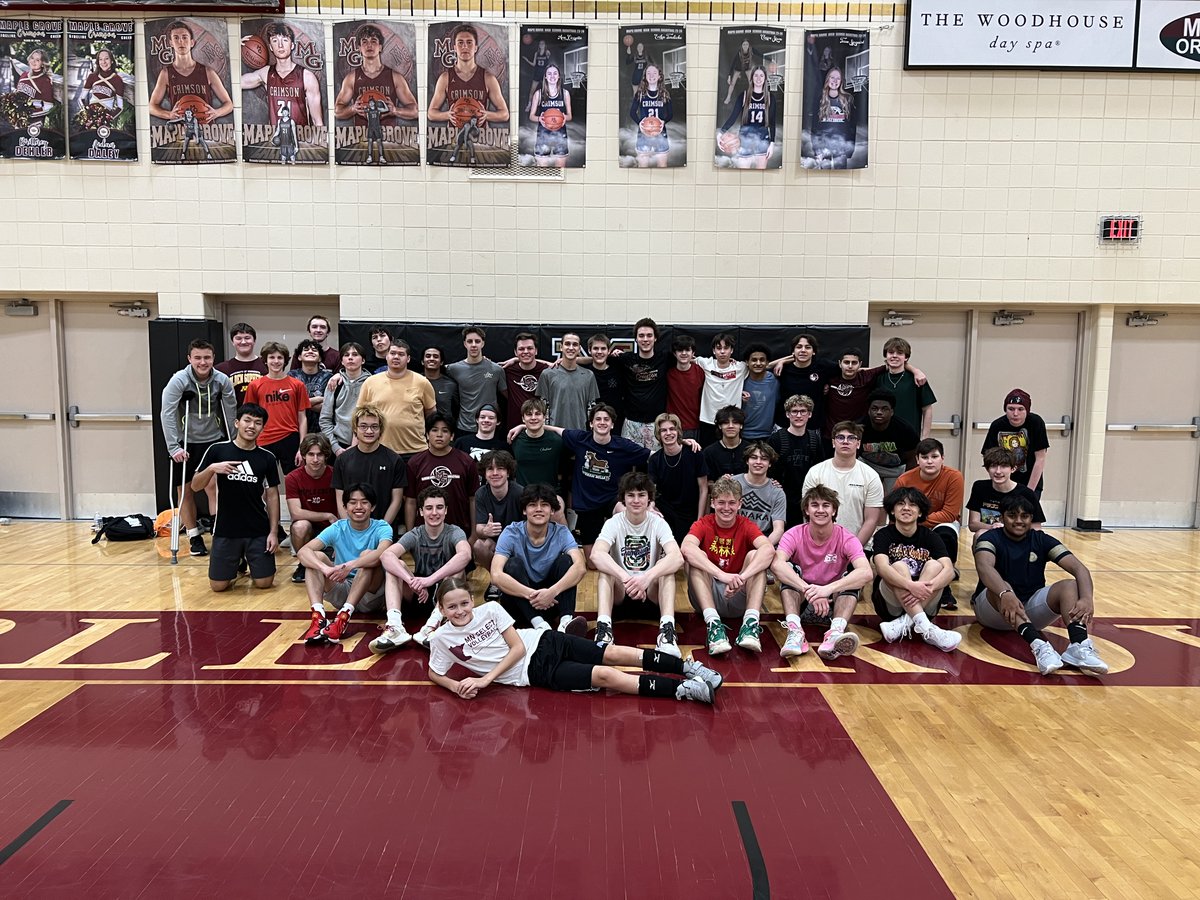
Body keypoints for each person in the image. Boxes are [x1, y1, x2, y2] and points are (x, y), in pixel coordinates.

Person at [427, 575, 721, 705]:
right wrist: (455, 686)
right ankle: (682, 690)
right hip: (535, 673)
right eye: (451, 607)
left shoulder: (490, 609)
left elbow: (516, 648)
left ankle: (687, 668)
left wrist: (483, 680)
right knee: (606, 675)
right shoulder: (441, 638)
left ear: (471, 600)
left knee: (614, 653)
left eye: (464, 603)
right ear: (440, 609)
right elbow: (433, 672)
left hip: (544, 641)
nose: (460, 611)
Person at [972, 494, 1108, 676]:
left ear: (1031, 519)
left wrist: (1087, 598)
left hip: (1028, 608)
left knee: (1070, 586)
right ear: (1002, 517)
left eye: (1025, 516)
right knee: (1001, 585)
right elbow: (984, 566)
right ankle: (1039, 646)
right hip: (991, 610)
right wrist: (1005, 593)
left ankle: (1079, 646)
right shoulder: (990, 538)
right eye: (1012, 515)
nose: (1019, 521)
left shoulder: (1042, 540)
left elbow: (1079, 568)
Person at [532, 403, 652, 558]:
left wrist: (682, 444)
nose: (602, 422)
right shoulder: (580, 439)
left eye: (606, 419)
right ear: (591, 423)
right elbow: (556, 430)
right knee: (593, 563)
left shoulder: (623, 445)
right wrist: (522, 427)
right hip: (587, 503)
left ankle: (634, 553)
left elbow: (652, 455)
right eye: (598, 419)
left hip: (612, 498)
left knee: (624, 511)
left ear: (612, 424)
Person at [771, 485, 873, 660]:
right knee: (788, 568)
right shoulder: (794, 534)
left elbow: (866, 572)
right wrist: (810, 591)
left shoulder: (847, 538)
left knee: (853, 577)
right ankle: (795, 632)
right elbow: (776, 565)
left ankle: (834, 634)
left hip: (834, 605)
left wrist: (826, 590)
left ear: (834, 511)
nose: (820, 510)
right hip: (802, 602)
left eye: (826, 505)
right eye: (815, 505)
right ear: (806, 510)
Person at [591, 472, 685, 655]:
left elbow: (677, 557)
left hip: (649, 594)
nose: (636, 500)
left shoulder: (658, 523)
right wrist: (626, 578)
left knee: (668, 570)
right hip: (620, 593)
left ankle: (667, 633)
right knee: (605, 570)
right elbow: (596, 554)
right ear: (623, 498)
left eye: (641, 495)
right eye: (630, 495)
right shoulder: (614, 522)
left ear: (649, 498)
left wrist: (646, 578)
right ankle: (603, 631)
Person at [191, 403, 280, 592]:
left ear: (262, 428)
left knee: (264, 584)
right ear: (237, 423)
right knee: (218, 587)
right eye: (247, 421)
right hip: (226, 529)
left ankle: (247, 556)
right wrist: (212, 468)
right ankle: (238, 559)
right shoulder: (217, 450)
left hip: (257, 529)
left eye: (257, 423)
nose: (251, 426)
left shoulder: (267, 458)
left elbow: (272, 496)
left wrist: (273, 532)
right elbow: (195, 485)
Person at [160, 339, 238, 556]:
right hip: (186, 442)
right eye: (198, 358)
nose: (203, 362)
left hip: (213, 439)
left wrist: (234, 442)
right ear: (189, 359)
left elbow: (231, 411)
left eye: (207, 357)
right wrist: (173, 447)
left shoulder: (222, 380)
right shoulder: (179, 380)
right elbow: (166, 413)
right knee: (184, 490)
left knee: (213, 486)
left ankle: (217, 530)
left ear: (213, 359)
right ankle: (194, 535)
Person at [681, 476, 774, 656]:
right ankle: (714, 626)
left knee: (756, 555)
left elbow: (769, 550)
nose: (726, 508)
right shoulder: (703, 523)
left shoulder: (746, 525)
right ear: (713, 502)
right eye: (721, 502)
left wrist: (742, 578)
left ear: (740, 504)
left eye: (732, 503)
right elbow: (686, 547)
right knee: (696, 555)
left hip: (738, 595)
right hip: (707, 596)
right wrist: (722, 575)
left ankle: (750, 625)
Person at [373, 486, 473, 652]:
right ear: (420, 511)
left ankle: (431, 627)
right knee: (395, 565)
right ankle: (395, 626)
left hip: (444, 596)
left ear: (446, 510)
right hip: (417, 595)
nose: (434, 512)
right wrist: (412, 582)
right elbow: (386, 556)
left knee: (457, 571)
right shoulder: (415, 534)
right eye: (429, 508)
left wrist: (429, 580)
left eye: (439, 507)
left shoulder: (454, 531)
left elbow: (465, 555)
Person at [297, 483, 393, 645]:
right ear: (345, 507)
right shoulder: (338, 527)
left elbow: (381, 554)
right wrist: (325, 569)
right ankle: (318, 617)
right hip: (342, 587)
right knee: (316, 557)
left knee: (368, 555)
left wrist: (350, 565)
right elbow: (303, 552)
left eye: (364, 502)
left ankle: (344, 616)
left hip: (370, 594)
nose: (358, 507)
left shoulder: (382, 527)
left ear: (373, 506)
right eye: (353, 502)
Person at [871, 487, 962, 651]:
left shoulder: (931, 536)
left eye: (912, 505)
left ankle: (908, 622)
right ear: (892, 510)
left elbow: (949, 571)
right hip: (891, 604)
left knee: (936, 565)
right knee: (898, 566)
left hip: (926, 599)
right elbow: (882, 567)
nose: (906, 508)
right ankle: (929, 630)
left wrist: (928, 588)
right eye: (900, 504)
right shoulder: (883, 535)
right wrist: (911, 586)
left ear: (920, 513)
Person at [491, 484, 587, 634]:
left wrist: (551, 592)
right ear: (524, 510)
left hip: (551, 602)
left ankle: (565, 623)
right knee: (512, 564)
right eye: (532, 505)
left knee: (566, 561)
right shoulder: (511, 532)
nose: (538, 509)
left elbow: (580, 567)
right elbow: (496, 575)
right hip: (520, 605)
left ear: (553, 510)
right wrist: (533, 595)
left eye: (544, 505)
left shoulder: (561, 532)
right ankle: (540, 625)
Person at [895, 438, 965, 609]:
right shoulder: (904, 480)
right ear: (917, 460)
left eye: (934, 456)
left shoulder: (954, 477)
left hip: (939, 522)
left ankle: (944, 586)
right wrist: (911, 523)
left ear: (942, 458)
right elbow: (895, 510)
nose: (930, 461)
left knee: (946, 533)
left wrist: (917, 522)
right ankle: (908, 580)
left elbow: (950, 513)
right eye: (924, 457)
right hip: (910, 523)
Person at [427, 24, 510, 158]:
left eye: (469, 42)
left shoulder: (488, 78)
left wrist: (486, 115)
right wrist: (448, 115)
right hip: (453, 140)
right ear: (454, 47)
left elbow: (504, 114)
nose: (465, 46)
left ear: (476, 47)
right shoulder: (445, 77)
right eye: (460, 43)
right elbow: (431, 113)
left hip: (481, 142)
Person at [802, 421, 884, 549]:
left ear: (858, 444)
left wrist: (852, 549)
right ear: (833, 442)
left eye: (851, 438)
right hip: (820, 545)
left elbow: (871, 520)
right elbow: (808, 513)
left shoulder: (871, 476)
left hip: (858, 546)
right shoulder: (815, 472)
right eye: (840, 437)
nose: (845, 441)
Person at [330, 405, 406, 530]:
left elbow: (396, 501)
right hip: (350, 529)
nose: (369, 431)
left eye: (374, 427)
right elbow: (340, 498)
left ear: (380, 430)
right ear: (355, 429)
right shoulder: (342, 460)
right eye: (363, 426)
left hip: (383, 530)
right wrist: (350, 528)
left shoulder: (394, 460)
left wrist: (381, 528)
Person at [357, 340, 436, 457]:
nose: (396, 357)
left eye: (401, 354)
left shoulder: (422, 382)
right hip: (379, 449)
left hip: (415, 450)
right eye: (393, 353)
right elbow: (359, 417)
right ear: (387, 356)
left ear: (408, 359)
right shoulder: (370, 382)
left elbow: (432, 415)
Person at [240, 22, 324, 131]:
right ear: (270, 47)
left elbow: (318, 122)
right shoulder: (266, 73)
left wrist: (319, 146)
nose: (280, 45)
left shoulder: (307, 77)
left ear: (292, 45)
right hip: (276, 141)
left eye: (285, 40)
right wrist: (236, 46)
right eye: (275, 41)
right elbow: (237, 83)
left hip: (301, 141)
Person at [404, 414, 479, 535]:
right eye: (434, 430)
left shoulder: (466, 461)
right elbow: (411, 501)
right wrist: (410, 535)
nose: (439, 435)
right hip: (424, 534)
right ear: (427, 435)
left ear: (452, 436)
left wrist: (474, 534)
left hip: (460, 531)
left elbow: (473, 499)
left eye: (445, 431)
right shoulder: (415, 463)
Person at [149, 20, 235, 124]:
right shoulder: (166, 73)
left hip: (206, 132)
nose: (181, 41)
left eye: (185, 37)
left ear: (192, 42)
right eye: (176, 38)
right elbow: (151, 107)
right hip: (180, 132)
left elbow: (229, 104)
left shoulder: (207, 72)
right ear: (171, 43)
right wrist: (169, 115)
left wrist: (216, 112)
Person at [333, 23, 419, 127]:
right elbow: (337, 111)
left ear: (380, 47)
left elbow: (415, 111)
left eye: (373, 41)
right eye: (364, 42)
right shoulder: (351, 78)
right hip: (361, 139)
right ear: (359, 48)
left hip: (390, 139)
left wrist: (395, 110)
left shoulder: (395, 77)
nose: (369, 45)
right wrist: (353, 109)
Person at [243, 341, 309, 474]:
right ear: (265, 360)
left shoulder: (297, 385)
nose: (276, 361)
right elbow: (249, 417)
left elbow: (302, 418)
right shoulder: (255, 385)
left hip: (290, 438)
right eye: (272, 357)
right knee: (266, 484)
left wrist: (302, 447)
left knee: (293, 480)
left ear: (285, 361)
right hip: (263, 438)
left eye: (280, 357)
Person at [647, 413, 709, 546]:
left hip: (689, 511)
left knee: (686, 549)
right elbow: (652, 490)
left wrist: (699, 520)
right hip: (666, 510)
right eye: (664, 430)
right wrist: (651, 509)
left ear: (678, 431)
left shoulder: (694, 453)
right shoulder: (654, 460)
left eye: (672, 429)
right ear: (658, 434)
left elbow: (703, 489)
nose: (668, 433)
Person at [285, 434, 339, 584]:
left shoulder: (335, 474)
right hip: (309, 530)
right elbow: (296, 513)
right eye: (311, 454)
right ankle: (304, 563)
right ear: (303, 455)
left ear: (326, 456)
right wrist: (326, 515)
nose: (315, 459)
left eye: (319, 454)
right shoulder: (292, 478)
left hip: (331, 530)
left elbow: (344, 508)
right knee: (300, 526)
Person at [767, 394, 827, 528]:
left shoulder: (815, 439)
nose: (798, 415)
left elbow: (821, 468)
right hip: (782, 497)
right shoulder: (776, 439)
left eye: (803, 411)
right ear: (788, 414)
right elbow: (767, 468)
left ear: (809, 414)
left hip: (808, 495)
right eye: (794, 411)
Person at [981, 388, 1049, 496]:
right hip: (1003, 483)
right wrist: (999, 482)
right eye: (1011, 409)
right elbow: (988, 458)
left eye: (1020, 409)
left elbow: (1040, 459)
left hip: (1030, 482)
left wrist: (1029, 492)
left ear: (1027, 410)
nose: (1015, 413)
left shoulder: (1036, 423)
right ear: (1005, 409)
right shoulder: (997, 425)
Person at [472, 450, 524, 588]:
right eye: (490, 469)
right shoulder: (481, 493)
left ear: (508, 472)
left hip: (518, 543)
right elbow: (479, 529)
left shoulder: (520, 492)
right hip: (495, 544)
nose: (495, 473)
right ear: (484, 473)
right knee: (479, 545)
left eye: (500, 468)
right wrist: (486, 530)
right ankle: (496, 579)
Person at [967, 447, 1046, 535]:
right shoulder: (979, 487)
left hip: (1017, 537)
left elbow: (1037, 528)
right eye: (993, 466)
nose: (998, 471)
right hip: (991, 534)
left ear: (1013, 469)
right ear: (987, 469)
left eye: (1004, 466)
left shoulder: (1026, 493)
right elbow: (972, 524)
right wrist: (992, 527)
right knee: (980, 533)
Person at [871, 337, 936, 438]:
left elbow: (927, 409)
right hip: (882, 437)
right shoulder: (878, 378)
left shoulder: (917, 379)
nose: (894, 356)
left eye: (900, 353)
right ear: (886, 355)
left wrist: (924, 438)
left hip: (909, 437)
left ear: (906, 357)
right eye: (891, 352)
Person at [447, 326, 506, 433]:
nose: (473, 345)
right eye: (470, 341)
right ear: (465, 344)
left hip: (489, 426)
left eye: (477, 341)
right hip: (464, 426)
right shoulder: (454, 369)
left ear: (483, 343)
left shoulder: (496, 370)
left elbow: (508, 396)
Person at [771, 333, 837, 429]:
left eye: (807, 347)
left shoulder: (822, 367)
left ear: (813, 351)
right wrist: (782, 361)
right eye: (799, 347)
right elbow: (766, 366)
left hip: (813, 426)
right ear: (793, 351)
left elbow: (848, 370)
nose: (803, 350)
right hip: (785, 425)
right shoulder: (783, 369)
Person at [858, 390, 919, 494]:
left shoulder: (905, 429)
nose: (879, 412)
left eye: (884, 409)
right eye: (874, 408)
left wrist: (907, 482)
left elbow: (912, 458)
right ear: (868, 411)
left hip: (894, 469)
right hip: (867, 466)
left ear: (892, 412)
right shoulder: (859, 427)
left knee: (892, 501)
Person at [535, 332, 598, 431]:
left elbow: (591, 409)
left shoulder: (589, 375)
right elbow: (543, 408)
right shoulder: (547, 374)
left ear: (579, 348)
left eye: (575, 344)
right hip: (554, 433)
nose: (571, 348)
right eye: (567, 344)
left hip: (580, 434)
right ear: (561, 347)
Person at [824, 347, 893, 434]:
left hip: (857, 433)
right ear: (840, 363)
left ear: (860, 364)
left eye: (854, 363)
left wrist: (915, 371)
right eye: (846, 362)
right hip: (831, 433)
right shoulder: (830, 378)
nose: (850, 366)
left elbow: (893, 365)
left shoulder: (866, 377)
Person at [695, 333, 749, 445]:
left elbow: (764, 366)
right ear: (714, 351)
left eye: (726, 348)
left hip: (732, 422)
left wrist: (785, 360)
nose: (722, 352)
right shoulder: (705, 363)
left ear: (732, 350)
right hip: (709, 419)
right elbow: (686, 359)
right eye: (719, 348)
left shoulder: (741, 367)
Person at [718, 66, 775, 169]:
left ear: (765, 78)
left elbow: (772, 122)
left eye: (761, 75)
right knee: (742, 176)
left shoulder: (770, 98)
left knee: (761, 177)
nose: (758, 78)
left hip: (763, 140)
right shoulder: (743, 96)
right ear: (752, 77)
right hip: (745, 140)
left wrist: (772, 144)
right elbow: (733, 117)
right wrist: (720, 133)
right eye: (756, 75)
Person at [319, 342, 371, 456]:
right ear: (342, 361)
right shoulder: (334, 383)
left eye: (355, 354)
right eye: (346, 355)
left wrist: (356, 445)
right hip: (339, 445)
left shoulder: (372, 384)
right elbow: (325, 420)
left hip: (367, 444)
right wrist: (336, 448)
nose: (350, 358)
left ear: (363, 360)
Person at [734, 443, 787, 549]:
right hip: (733, 538)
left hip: (762, 540)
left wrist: (762, 548)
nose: (758, 462)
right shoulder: (733, 483)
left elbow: (779, 529)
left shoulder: (777, 492)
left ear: (770, 463)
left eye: (764, 459)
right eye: (754, 458)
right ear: (747, 461)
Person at [510, 398, 567, 493]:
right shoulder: (514, 440)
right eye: (529, 414)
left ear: (544, 417)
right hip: (523, 495)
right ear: (523, 418)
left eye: (538, 414)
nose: (533, 417)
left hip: (549, 495)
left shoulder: (557, 441)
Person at [811, 66, 856, 169]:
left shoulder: (848, 99)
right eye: (832, 77)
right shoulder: (820, 99)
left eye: (838, 78)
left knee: (839, 179)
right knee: (823, 178)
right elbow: (814, 126)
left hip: (841, 146)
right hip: (823, 145)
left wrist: (850, 149)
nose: (835, 81)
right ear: (827, 79)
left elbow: (852, 127)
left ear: (841, 81)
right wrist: (815, 148)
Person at [528, 63, 572, 168]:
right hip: (543, 135)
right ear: (545, 77)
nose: (552, 76)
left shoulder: (565, 93)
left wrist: (565, 117)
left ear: (559, 76)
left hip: (560, 135)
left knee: (560, 171)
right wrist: (540, 118)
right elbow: (531, 116)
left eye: (555, 73)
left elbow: (570, 115)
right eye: (549, 74)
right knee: (542, 171)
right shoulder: (538, 94)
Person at [504, 332, 550, 428]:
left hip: (540, 428)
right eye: (521, 349)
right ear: (515, 352)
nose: (525, 351)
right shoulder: (507, 370)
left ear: (536, 351)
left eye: (529, 348)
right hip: (514, 428)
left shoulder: (547, 371)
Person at [630, 64, 672, 168]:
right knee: (642, 168)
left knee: (662, 167)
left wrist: (663, 122)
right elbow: (632, 112)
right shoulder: (640, 94)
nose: (651, 75)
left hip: (661, 134)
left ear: (659, 76)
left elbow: (670, 114)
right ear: (645, 76)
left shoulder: (665, 94)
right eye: (648, 73)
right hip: (643, 135)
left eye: (654, 73)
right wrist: (640, 123)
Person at [288, 338, 332, 436]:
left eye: (314, 350)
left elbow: (328, 406)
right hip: (295, 429)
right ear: (299, 357)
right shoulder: (291, 376)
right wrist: (317, 399)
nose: (310, 351)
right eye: (306, 350)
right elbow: (289, 405)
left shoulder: (328, 377)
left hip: (322, 431)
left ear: (320, 358)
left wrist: (301, 404)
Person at [215, 322, 266, 405]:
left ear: (254, 340)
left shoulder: (267, 366)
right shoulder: (221, 369)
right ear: (232, 341)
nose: (243, 342)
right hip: (232, 416)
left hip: (261, 416)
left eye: (247, 338)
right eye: (238, 338)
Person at [666, 334, 703, 440]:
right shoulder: (668, 373)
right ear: (674, 353)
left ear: (693, 353)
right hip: (672, 427)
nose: (683, 353)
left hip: (694, 426)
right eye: (680, 350)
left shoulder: (701, 371)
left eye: (687, 350)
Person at [741, 344, 779, 439]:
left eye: (762, 360)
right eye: (754, 360)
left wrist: (782, 361)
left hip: (768, 435)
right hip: (743, 435)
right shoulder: (739, 381)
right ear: (747, 362)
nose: (758, 363)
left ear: (767, 363)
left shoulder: (775, 380)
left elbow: (797, 359)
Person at [587, 333, 624, 426]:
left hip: (615, 424)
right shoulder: (585, 373)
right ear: (589, 350)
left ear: (609, 351)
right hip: (592, 425)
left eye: (603, 348)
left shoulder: (619, 369)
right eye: (595, 348)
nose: (599, 352)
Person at [702, 406, 748, 478]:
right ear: (720, 426)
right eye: (726, 423)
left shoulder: (750, 450)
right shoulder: (709, 452)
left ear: (741, 425)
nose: (730, 426)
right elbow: (707, 481)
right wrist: (720, 483)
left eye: (735, 422)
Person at [422, 346, 459, 424]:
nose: (431, 359)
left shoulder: (450, 385)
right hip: (418, 429)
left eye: (435, 356)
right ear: (422, 361)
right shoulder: (414, 381)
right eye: (428, 356)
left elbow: (457, 410)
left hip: (443, 430)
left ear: (441, 362)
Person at [722, 39, 758, 105]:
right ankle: (728, 97)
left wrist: (770, 59)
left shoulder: (751, 51)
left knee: (751, 82)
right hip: (738, 68)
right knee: (732, 83)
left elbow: (760, 54)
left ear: (749, 45)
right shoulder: (739, 53)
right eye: (744, 44)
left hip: (747, 68)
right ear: (741, 46)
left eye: (747, 44)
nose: (745, 46)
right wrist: (729, 76)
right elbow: (732, 64)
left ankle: (752, 97)